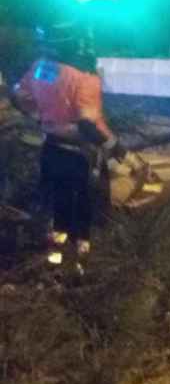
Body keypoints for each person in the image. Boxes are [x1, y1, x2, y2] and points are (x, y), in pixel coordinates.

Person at [11, 22, 130, 268]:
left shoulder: (41, 68)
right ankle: (81, 262)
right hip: (79, 155)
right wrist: (115, 146)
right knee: (84, 206)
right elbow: (87, 124)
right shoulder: (84, 79)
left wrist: (38, 117)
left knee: (58, 203)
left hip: (51, 149)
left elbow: (18, 96)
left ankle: (54, 260)